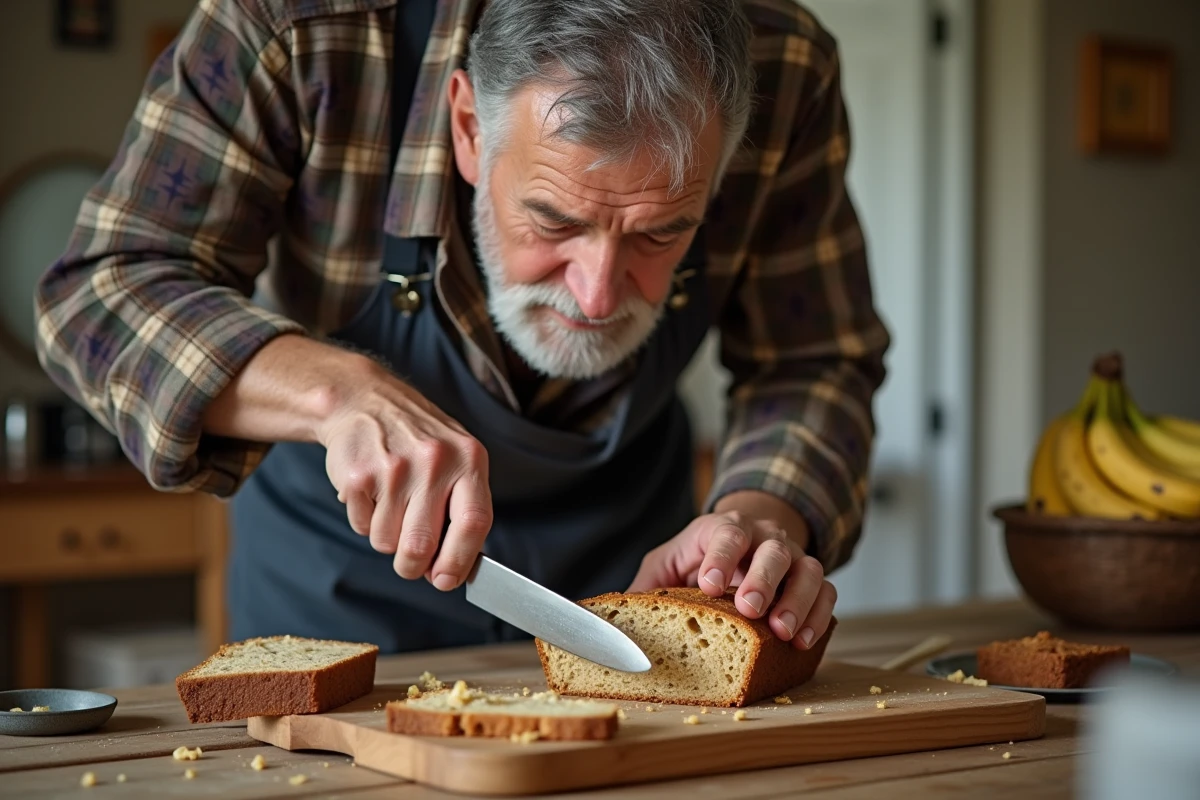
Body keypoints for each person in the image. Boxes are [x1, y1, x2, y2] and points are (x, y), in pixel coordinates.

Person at [34, 0, 889, 655]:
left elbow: (812, 361)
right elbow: (97, 295)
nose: (596, 297)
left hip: (634, 577)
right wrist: (338, 393)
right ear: (471, 128)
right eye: (554, 221)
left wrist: (760, 521)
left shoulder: (788, 72)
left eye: (661, 233)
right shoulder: (300, 25)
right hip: (333, 578)